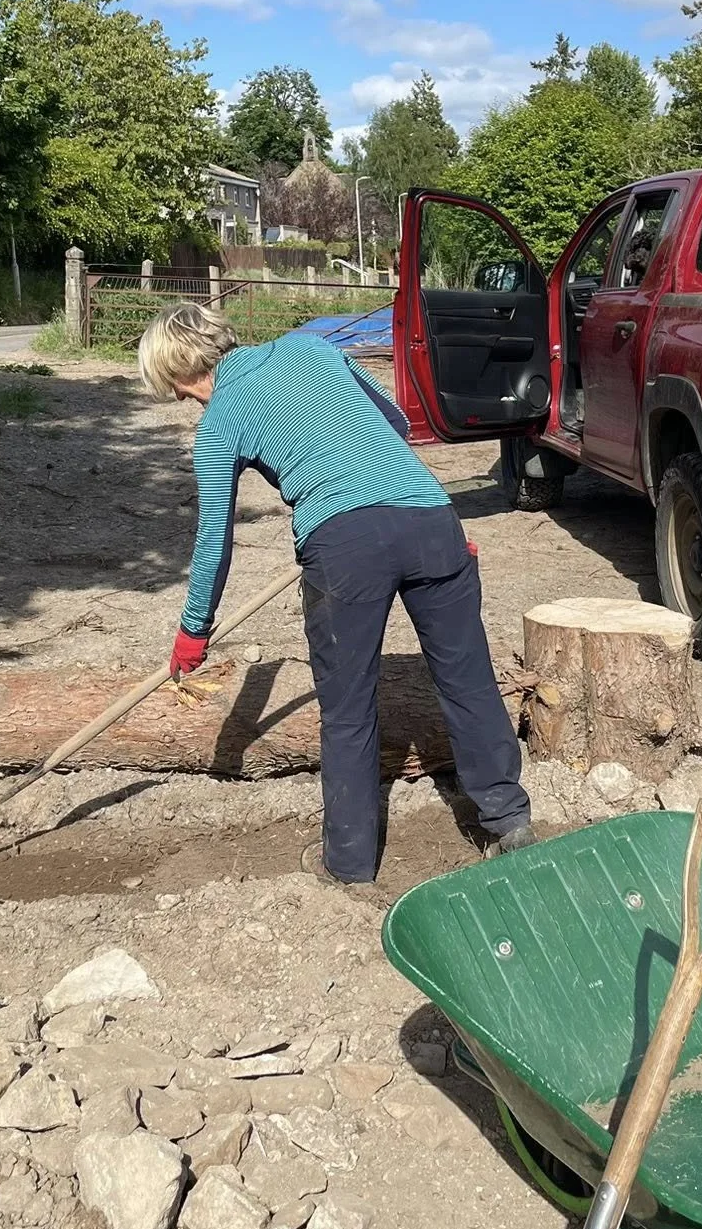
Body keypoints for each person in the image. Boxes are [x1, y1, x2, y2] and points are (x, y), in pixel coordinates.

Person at [136, 302, 536, 886]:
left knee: (348, 711)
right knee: (469, 681)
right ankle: (511, 823)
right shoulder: (310, 348)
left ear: (179, 370)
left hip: (346, 548)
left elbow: (213, 538)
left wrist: (192, 632)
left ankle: (348, 868)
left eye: (173, 387)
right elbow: (395, 424)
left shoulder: (219, 422)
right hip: (431, 521)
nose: (180, 400)